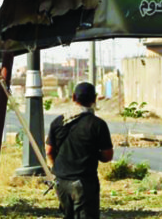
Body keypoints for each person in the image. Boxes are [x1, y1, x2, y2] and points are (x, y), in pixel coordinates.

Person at [46, 82, 114, 219]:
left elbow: (48, 151)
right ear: (94, 99)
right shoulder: (98, 124)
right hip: (84, 183)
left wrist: (55, 168)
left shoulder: (58, 122)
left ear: (73, 97)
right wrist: (94, 152)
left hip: (61, 182)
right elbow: (107, 156)